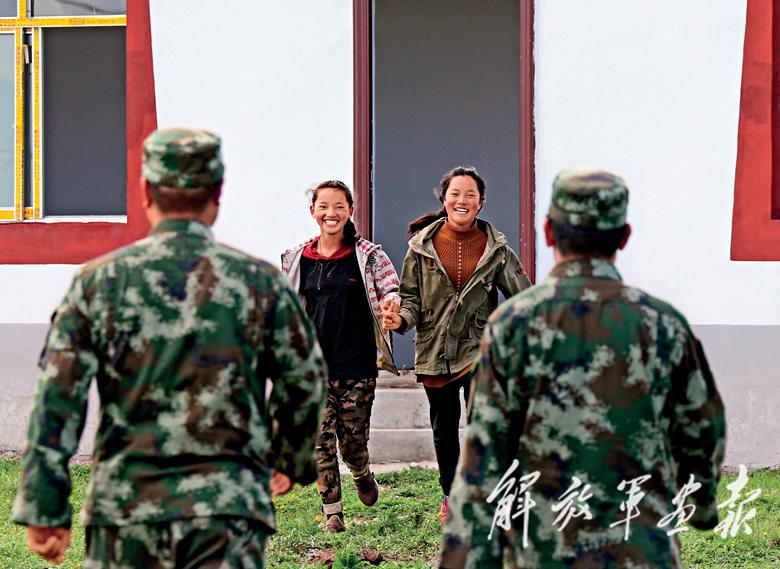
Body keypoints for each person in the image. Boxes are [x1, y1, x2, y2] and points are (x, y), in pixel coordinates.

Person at [12, 127, 327, 569]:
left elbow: (58, 396)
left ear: (145, 191)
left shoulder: (100, 282)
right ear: (217, 191)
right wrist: (287, 458)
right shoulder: (260, 283)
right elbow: (305, 379)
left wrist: (45, 506)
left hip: (127, 509)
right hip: (227, 511)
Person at [439, 167, 727, 569]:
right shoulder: (662, 323)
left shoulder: (514, 325)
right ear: (623, 237)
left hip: (543, 549)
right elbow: (702, 425)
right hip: (641, 549)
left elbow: (484, 455)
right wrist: (701, 504)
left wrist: (467, 559)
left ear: (548, 233)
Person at [382, 166, 532, 523]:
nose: (462, 200)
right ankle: (452, 496)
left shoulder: (497, 250)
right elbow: (410, 300)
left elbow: (524, 300)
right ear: (444, 199)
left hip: (481, 350)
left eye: (470, 195)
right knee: (444, 430)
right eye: (455, 194)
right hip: (435, 350)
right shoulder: (420, 248)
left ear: (480, 203)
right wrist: (399, 320)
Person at [281, 180, 401, 533]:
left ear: (350, 210)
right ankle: (333, 513)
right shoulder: (296, 258)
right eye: (323, 206)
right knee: (319, 443)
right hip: (313, 369)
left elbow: (391, 288)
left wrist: (391, 305)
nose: (330, 213)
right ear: (313, 211)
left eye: (338, 206)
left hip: (357, 367)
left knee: (352, 444)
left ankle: (361, 473)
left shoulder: (369, 256)